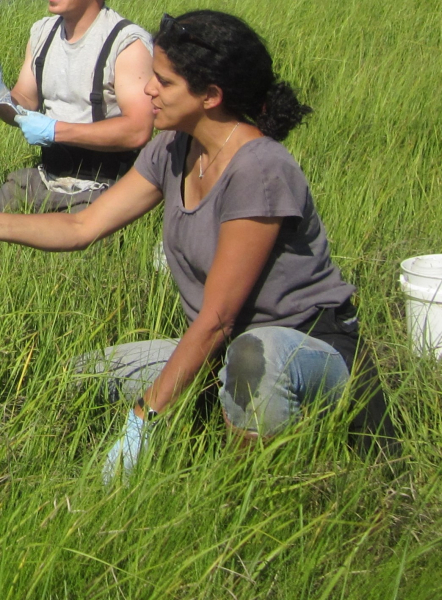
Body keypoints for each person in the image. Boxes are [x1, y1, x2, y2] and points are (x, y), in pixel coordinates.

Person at [0, 10, 397, 483]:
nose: (148, 90)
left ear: (211, 96)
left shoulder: (259, 170)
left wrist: (143, 417)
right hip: (223, 349)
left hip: (305, 349)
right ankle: (210, 412)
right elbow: (82, 226)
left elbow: (217, 319)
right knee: (88, 374)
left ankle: (255, 494)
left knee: (254, 355)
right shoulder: (172, 148)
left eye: (163, 82)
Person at [0, 0, 154, 213]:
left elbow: (138, 130)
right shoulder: (43, 33)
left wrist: (55, 131)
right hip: (46, 176)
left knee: (63, 241)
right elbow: (24, 99)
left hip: (101, 184)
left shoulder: (127, 44)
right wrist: (2, 98)